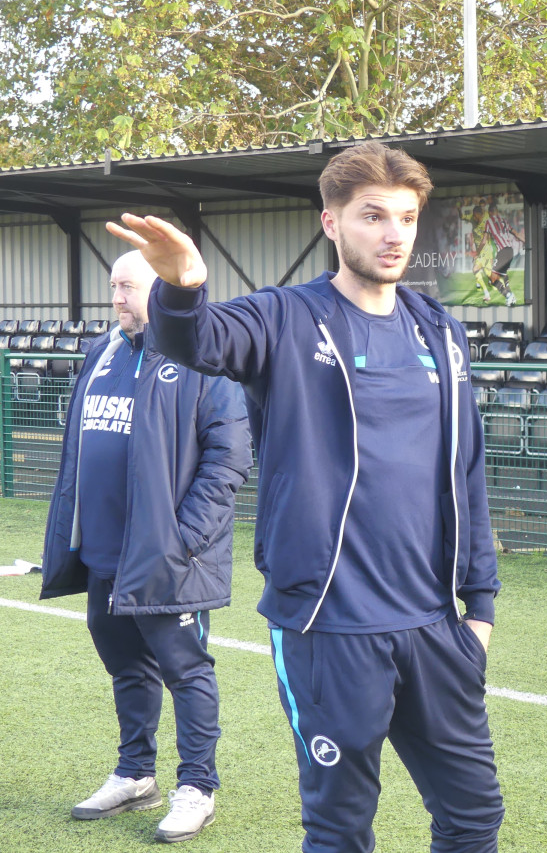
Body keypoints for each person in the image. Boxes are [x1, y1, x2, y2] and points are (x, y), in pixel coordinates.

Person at [106, 141, 504, 853]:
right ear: (331, 223)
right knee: (341, 830)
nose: (392, 235)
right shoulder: (286, 318)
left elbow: (466, 469)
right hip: (329, 627)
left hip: (436, 628)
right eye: (372, 216)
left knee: (475, 818)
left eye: (406, 218)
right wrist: (185, 282)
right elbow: (195, 340)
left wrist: (480, 611)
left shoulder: (439, 332)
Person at [39, 250, 252, 843]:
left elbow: (230, 457)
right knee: (126, 665)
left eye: (128, 287)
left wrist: (183, 539)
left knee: (186, 672)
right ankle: (136, 774)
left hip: (170, 559)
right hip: (104, 555)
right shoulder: (101, 353)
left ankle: (197, 787)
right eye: (113, 286)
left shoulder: (202, 357)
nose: (117, 299)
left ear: (162, 289)